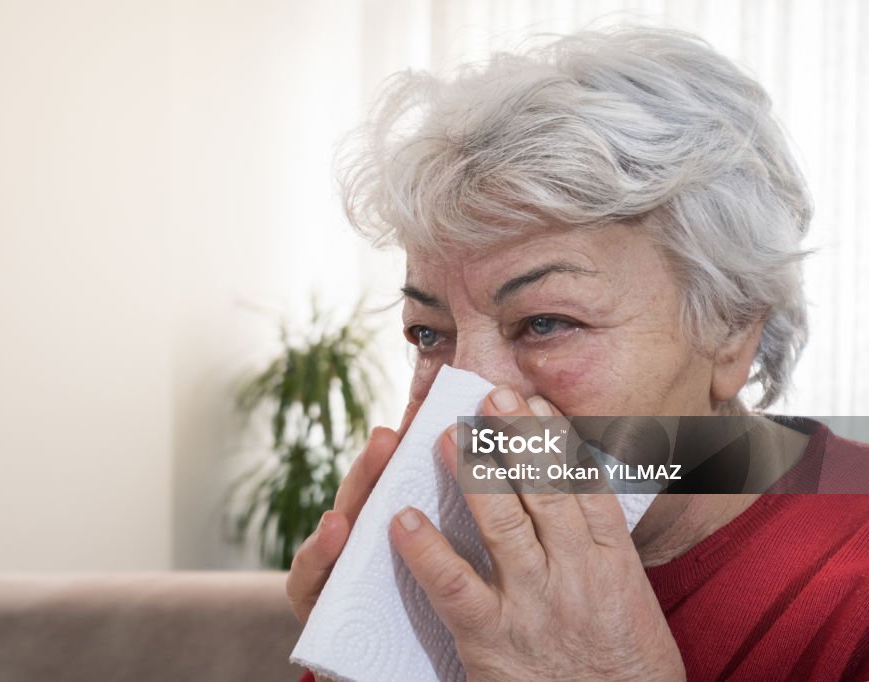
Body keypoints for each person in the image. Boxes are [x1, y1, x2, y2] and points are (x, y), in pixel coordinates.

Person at [287, 26, 869, 680]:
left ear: (731, 327)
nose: (467, 407)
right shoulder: (439, 572)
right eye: (429, 332)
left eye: (543, 323)